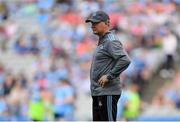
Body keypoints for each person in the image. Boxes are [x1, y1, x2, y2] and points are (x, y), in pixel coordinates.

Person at [85, 11, 131, 121]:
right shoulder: (103, 42)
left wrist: (109, 76)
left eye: (96, 22)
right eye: (91, 23)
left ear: (107, 23)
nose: (93, 25)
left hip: (107, 92)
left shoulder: (111, 41)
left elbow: (125, 60)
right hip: (99, 92)